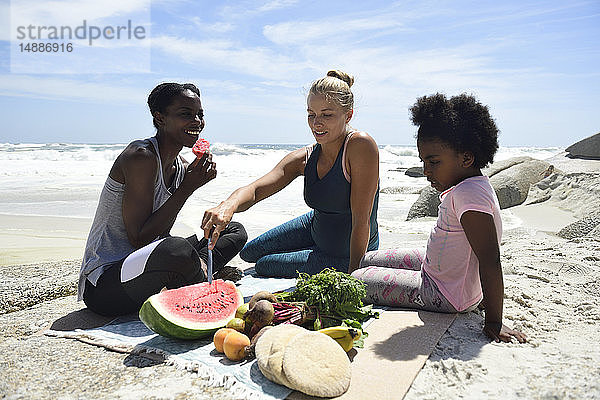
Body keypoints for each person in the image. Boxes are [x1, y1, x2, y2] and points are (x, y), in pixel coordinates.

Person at [352, 93, 527, 343]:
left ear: (466, 158)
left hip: (444, 292)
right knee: (365, 260)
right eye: (423, 161)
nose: (426, 171)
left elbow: (490, 260)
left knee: (358, 278)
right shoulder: (468, 186)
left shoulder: (470, 197)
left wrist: (494, 322)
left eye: (434, 162)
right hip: (441, 272)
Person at [78, 82, 247, 317]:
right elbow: (139, 238)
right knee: (175, 248)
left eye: (200, 114)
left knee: (232, 229)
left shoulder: (180, 167)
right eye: (185, 114)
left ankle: (196, 271)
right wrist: (187, 187)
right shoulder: (141, 157)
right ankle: (204, 283)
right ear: (160, 118)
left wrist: (187, 183)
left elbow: (159, 233)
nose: (197, 121)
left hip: (149, 268)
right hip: (106, 284)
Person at [201, 70, 379, 277]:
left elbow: (361, 220)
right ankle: (306, 252)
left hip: (346, 254)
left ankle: (311, 257)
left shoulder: (359, 145)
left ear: (348, 115)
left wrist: (354, 277)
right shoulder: (305, 157)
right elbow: (257, 189)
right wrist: (227, 206)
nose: (316, 123)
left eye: (327, 115)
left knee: (264, 265)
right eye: (311, 114)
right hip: (315, 227)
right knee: (249, 253)